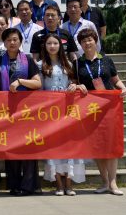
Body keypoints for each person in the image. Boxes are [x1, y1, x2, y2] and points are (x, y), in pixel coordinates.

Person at [75, 28, 126, 196]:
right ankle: (104, 181)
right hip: (90, 110)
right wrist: (78, 86)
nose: (87, 43)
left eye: (90, 40)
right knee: (97, 146)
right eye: (84, 41)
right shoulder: (78, 63)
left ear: (95, 40)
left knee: (111, 144)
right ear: (81, 44)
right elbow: (74, 83)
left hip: (109, 108)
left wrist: (123, 87)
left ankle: (113, 183)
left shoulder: (106, 60)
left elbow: (115, 80)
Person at [0, 27, 42, 195]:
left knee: (28, 147)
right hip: (6, 111)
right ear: (4, 43)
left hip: (27, 111)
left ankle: (29, 186)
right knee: (10, 147)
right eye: (8, 40)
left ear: (20, 41)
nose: (12, 42)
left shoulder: (28, 60)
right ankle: (14, 185)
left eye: (15, 39)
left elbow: (37, 83)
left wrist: (20, 81)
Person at [40, 33, 85, 196]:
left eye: (55, 43)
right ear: (45, 47)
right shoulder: (40, 65)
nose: (52, 46)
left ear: (60, 46)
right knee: (54, 147)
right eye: (49, 43)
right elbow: (39, 88)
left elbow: (74, 82)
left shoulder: (69, 64)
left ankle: (69, 183)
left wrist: (75, 86)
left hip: (68, 110)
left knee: (69, 146)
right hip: (50, 112)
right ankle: (58, 184)